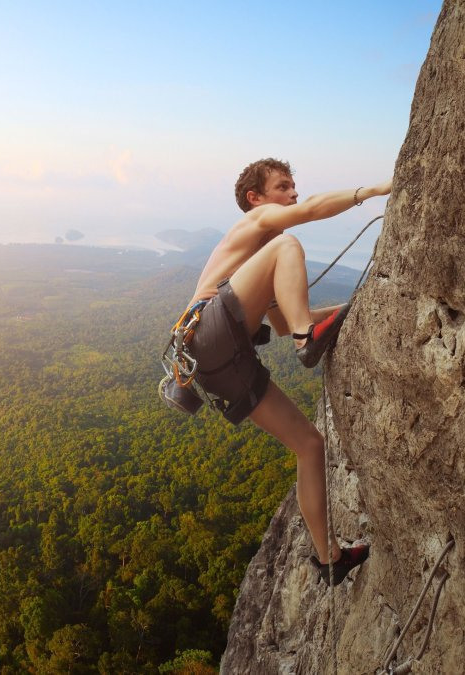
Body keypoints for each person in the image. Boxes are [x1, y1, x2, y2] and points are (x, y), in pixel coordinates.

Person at [185, 158, 391, 585]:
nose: (294, 194)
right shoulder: (259, 224)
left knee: (309, 445)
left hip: (218, 364)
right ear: (255, 198)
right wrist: (370, 191)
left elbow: (285, 324)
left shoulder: (260, 267)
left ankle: (328, 558)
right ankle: (309, 338)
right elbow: (312, 211)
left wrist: (362, 302)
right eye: (284, 187)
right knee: (289, 244)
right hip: (208, 331)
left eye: (294, 187)